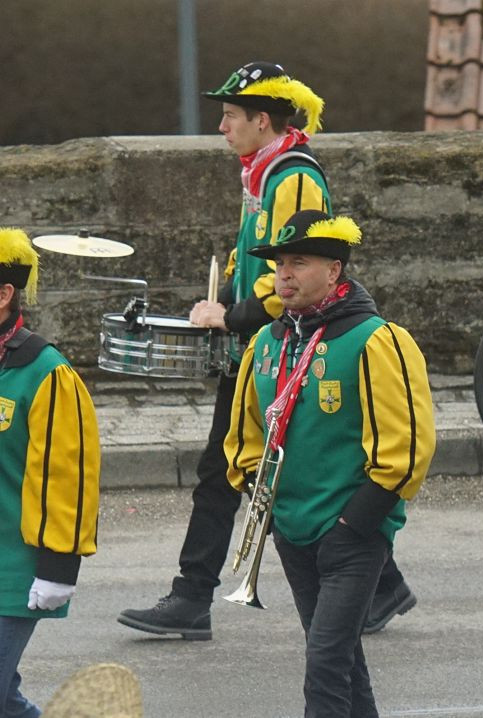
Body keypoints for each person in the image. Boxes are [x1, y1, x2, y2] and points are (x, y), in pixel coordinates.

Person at [118, 61, 416, 640]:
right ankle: (382, 586)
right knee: (247, 463)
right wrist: (224, 302)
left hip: (281, 340)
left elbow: (289, 267)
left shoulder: (292, 176)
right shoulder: (262, 172)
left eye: (230, 117)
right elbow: (252, 258)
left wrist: (232, 313)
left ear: (261, 119)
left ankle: (191, 596)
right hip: (264, 338)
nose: (222, 128)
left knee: (231, 465)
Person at [224, 210, 436, 717]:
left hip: (351, 534)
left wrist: (352, 526)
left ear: (334, 270)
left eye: (299, 262)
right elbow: (244, 436)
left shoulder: (376, 340)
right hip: (292, 529)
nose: (284, 276)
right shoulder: (266, 343)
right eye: (279, 265)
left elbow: (406, 451)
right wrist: (264, 501)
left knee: (323, 667)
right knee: (343, 663)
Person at [0, 228, 101, 717]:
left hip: (12, 568)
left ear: (4, 295)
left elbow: (69, 477)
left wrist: (59, 566)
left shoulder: (46, 373)